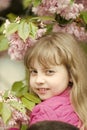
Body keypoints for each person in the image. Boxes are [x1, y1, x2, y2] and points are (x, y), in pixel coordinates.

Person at [24, 32, 87, 130]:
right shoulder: (80, 103)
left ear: (71, 74)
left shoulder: (45, 112)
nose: (38, 80)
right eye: (34, 71)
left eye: (49, 72)